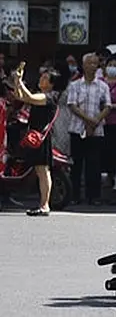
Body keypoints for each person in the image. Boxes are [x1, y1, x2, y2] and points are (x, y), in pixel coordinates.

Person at [12, 64, 61, 216]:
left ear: (51, 84)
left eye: (46, 78)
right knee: (40, 171)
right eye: (42, 76)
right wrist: (17, 81)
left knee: (43, 170)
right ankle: (43, 203)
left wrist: (20, 81)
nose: (41, 79)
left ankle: (45, 205)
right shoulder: (40, 95)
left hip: (41, 138)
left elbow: (29, 98)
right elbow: (20, 96)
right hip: (34, 137)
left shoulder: (49, 97)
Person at [67, 53, 112, 206]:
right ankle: (74, 195)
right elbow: (72, 105)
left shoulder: (103, 85)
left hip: (96, 130)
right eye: (90, 63)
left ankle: (94, 196)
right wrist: (88, 120)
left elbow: (108, 106)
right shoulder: (75, 85)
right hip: (77, 129)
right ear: (84, 65)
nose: (93, 66)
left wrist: (96, 121)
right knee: (76, 164)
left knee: (94, 164)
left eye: (95, 63)